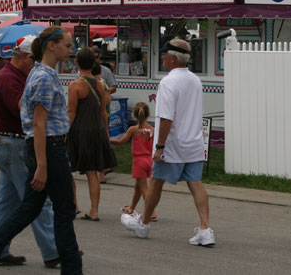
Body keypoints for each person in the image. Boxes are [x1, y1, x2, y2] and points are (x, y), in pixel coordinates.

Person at [0, 26, 82, 275]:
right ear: (52, 45)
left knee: (28, 207)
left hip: (43, 145)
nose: (71, 50)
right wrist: (42, 164)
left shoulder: (40, 74)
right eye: (67, 45)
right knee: (63, 210)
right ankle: (71, 267)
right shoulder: (42, 77)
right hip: (48, 147)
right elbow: (39, 123)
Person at [121, 38, 215, 246]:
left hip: (173, 144)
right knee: (196, 184)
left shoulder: (168, 82)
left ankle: (143, 224)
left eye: (164, 54)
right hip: (194, 142)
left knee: (156, 182)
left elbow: (165, 119)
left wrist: (160, 146)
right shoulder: (195, 80)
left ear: (172, 59)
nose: (162, 57)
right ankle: (205, 229)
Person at [0, 35, 60, 268]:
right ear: (24, 57)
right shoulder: (10, 79)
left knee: (5, 202)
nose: (37, 65)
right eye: (34, 60)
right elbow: (24, 110)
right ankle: (53, 251)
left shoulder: (12, 76)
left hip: (7, 143)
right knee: (37, 199)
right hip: (15, 144)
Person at [67, 48, 116, 221]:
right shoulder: (100, 85)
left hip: (79, 132)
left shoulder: (75, 85)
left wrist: (64, 131)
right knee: (92, 172)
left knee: (67, 170)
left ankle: (73, 206)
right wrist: (105, 131)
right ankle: (94, 210)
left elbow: (71, 112)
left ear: (77, 64)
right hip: (96, 131)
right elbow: (103, 112)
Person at [110, 102, 156, 220]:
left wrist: (109, 140)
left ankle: (151, 212)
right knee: (138, 187)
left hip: (139, 161)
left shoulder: (133, 129)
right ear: (148, 114)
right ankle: (131, 208)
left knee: (144, 188)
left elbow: (121, 142)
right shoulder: (152, 129)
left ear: (134, 115)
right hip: (149, 161)